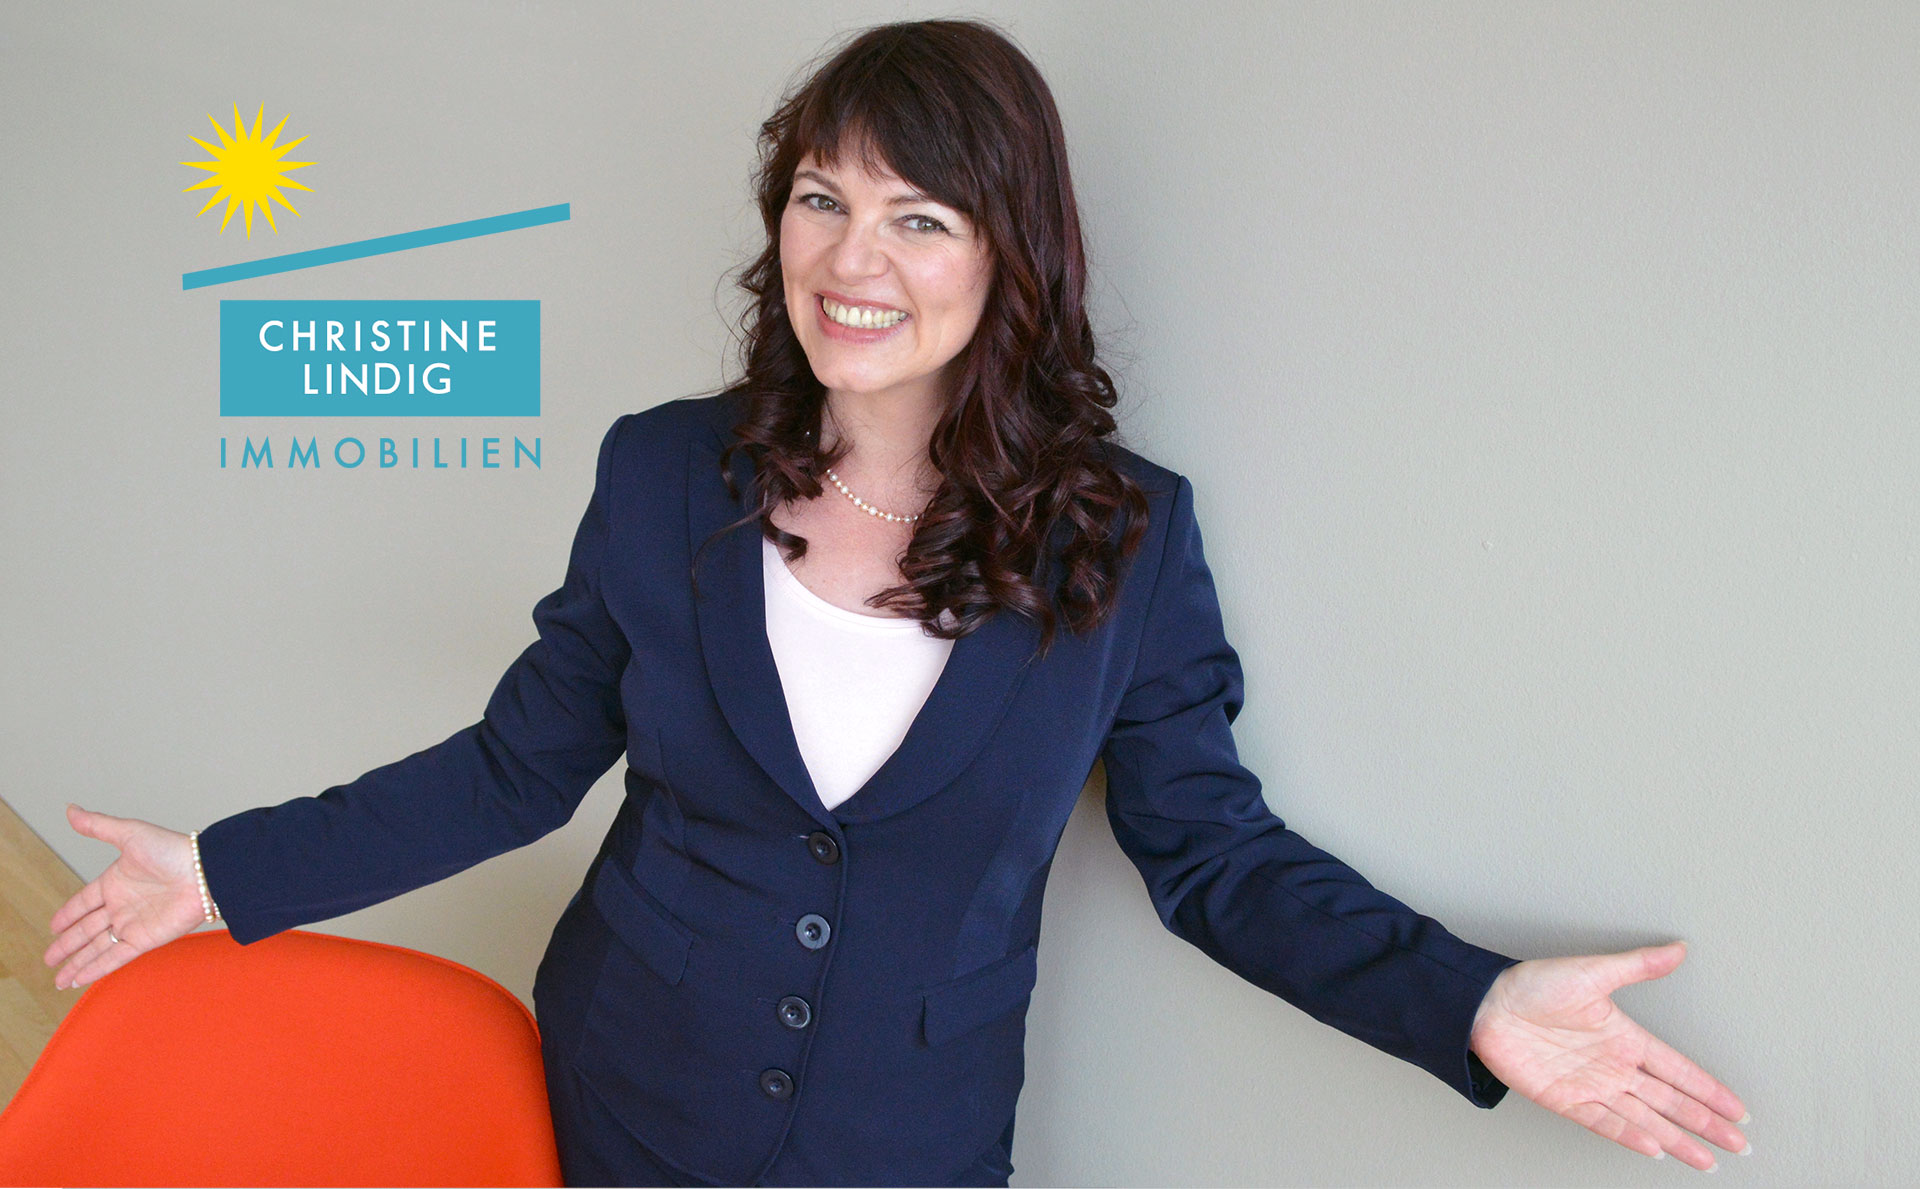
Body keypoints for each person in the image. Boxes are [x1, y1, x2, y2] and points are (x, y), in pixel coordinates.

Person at [44, 17, 1749, 1187]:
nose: (852, 263)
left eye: (919, 218)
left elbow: (1214, 856)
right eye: (822, 200)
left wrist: (1469, 999)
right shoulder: (663, 473)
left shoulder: (1126, 536)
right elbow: (514, 765)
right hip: (623, 1090)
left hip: (908, 1139)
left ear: (1007, 258)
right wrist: (226, 872)